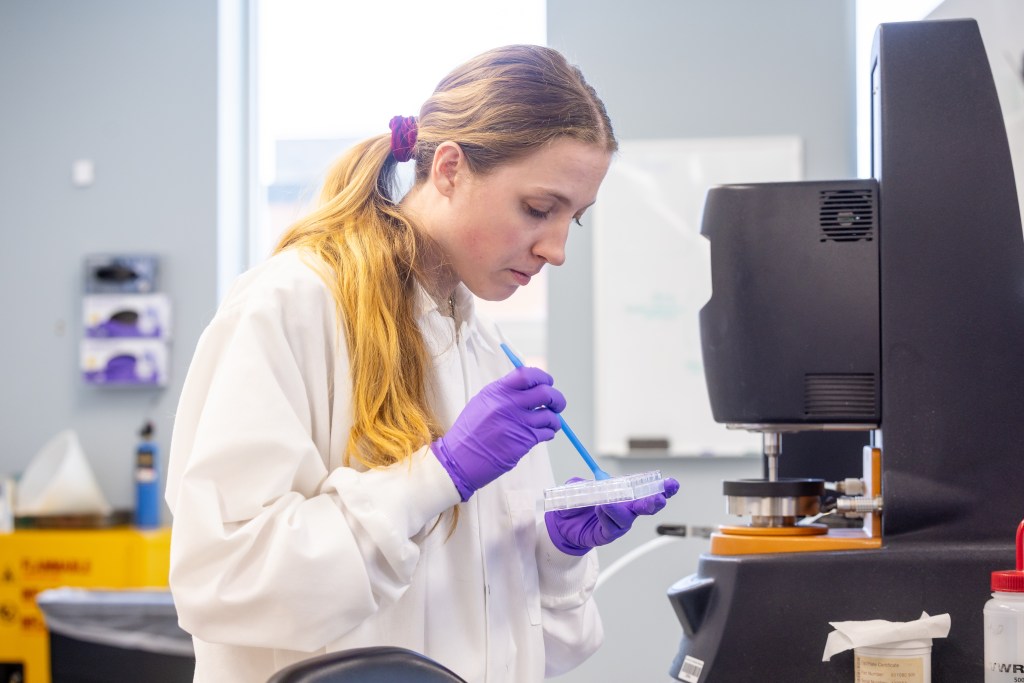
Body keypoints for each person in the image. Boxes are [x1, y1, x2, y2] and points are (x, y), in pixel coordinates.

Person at [165, 44, 679, 683]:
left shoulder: (487, 349)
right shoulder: (293, 304)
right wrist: (436, 476)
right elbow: (223, 579)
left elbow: (527, 650)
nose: (556, 249)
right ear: (449, 168)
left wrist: (554, 551)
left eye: (574, 218)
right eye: (539, 209)